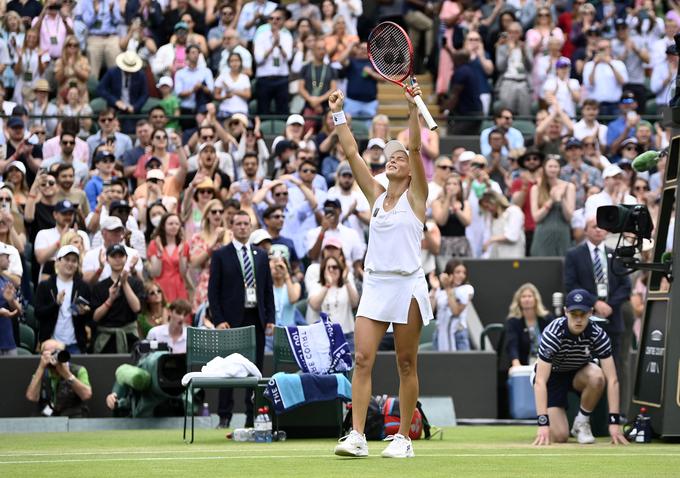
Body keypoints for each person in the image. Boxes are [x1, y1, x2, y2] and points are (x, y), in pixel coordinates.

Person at [329, 83, 433, 458]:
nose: (393, 159)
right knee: (362, 359)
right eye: (389, 157)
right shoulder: (375, 195)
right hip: (374, 284)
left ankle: (403, 438)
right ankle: (357, 436)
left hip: (407, 286)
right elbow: (353, 152)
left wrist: (411, 109)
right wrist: (339, 114)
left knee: (406, 363)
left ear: (410, 170)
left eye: (399, 158)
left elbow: (417, 148)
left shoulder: (417, 197)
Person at [532, 289, 628, 446]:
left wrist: (614, 423)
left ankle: (581, 423)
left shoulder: (598, 335)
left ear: (590, 313)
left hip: (579, 372)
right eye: (573, 314)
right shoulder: (553, 334)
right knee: (561, 436)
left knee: (597, 376)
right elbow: (540, 381)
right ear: (565, 312)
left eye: (582, 314)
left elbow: (612, 380)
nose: (578, 319)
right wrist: (542, 424)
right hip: (553, 376)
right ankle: (556, 425)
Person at [207, 210, 275, 428]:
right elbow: (213, 291)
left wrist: (270, 318)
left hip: (256, 317)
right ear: (232, 226)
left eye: (247, 223)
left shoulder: (261, 255)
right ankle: (224, 416)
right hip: (230, 320)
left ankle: (251, 414)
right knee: (229, 369)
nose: (243, 227)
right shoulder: (221, 255)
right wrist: (218, 319)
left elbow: (267, 290)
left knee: (254, 368)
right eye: (239, 223)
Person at [564, 218, 632, 390]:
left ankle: (617, 412)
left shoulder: (616, 254)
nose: (598, 230)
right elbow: (571, 284)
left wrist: (610, 306)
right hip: (586, 320)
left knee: (617, 366)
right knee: (588, 368)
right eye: (594, 227)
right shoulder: (574, 255)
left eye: (602, 227)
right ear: (585, 230)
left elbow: (626, 286)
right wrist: (594, 302)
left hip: (613, 319)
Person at [35, 245, 91, 355]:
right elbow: (38, 313)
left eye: (74, 261)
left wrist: (84, 312)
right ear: (58, 261)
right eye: (67, 259)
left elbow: (89, 317)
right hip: (51, 344)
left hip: (75, 344)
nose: (70, 264)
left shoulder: (83, 287)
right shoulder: (45, 286)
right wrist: (56, 304)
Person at [91, 244, 145, 353]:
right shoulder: (99, 286)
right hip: (106, 340)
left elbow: (137, 308)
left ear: (126, 258)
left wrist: (124, 283)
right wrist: (110, 299)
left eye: (121, 256)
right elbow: (95, 317)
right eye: (113, 256)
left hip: (129, 337)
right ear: (107, 260)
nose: (117, 259)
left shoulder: (136, 284)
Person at [25, 339, 92, 417]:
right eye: (50, 353)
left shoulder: (78, 370)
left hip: (73, 416)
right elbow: (31, 397)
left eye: (56, 352)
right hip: (47, 416)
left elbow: (86, 395)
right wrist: (41, 367)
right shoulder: (40, 373)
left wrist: (67, 375)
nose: (53, 356)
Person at [529, 157, 576, 257]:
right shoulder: (536, 188)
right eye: (550, 166)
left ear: (559, 169)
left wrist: (562, 199)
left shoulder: (569, 187)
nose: (553, 169)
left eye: (556, 166)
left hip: (562, 233)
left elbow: (569, 217)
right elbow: (536, 217)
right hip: (543, 234)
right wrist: (551, 200)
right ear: (544, 168)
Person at [96, 51, 149, 134]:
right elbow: (100, 89)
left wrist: (135, 107)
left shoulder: (140, 75)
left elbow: (145, 94)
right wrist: (115, 101)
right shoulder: (112, 72)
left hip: (133, 112)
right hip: (114, 109)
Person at [429, 259, 474, 351]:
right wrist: (434, 289)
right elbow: (429, 311)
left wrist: (448, 287)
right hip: (440, 334)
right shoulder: (439, 291)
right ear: (449, 273)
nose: (461, 275)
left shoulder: (467, 289)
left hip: (458, 335)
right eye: (457, 272)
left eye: (464, 272)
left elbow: (456, 311)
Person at [505, 283, 551, 369]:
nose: (527, 299)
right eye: (523, 296)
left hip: (545, 363)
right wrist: (516, 365)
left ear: (536, 299)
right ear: (519, 300)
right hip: (524, 364)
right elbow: (512, 345)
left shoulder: (546, 318)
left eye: (530, 296)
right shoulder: (513, 321)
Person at [0, 243, 22, 356]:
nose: (9, 260)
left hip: (8, 341)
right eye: (6, 257)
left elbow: (19, 311)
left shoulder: (6, 280)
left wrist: (11, 301)